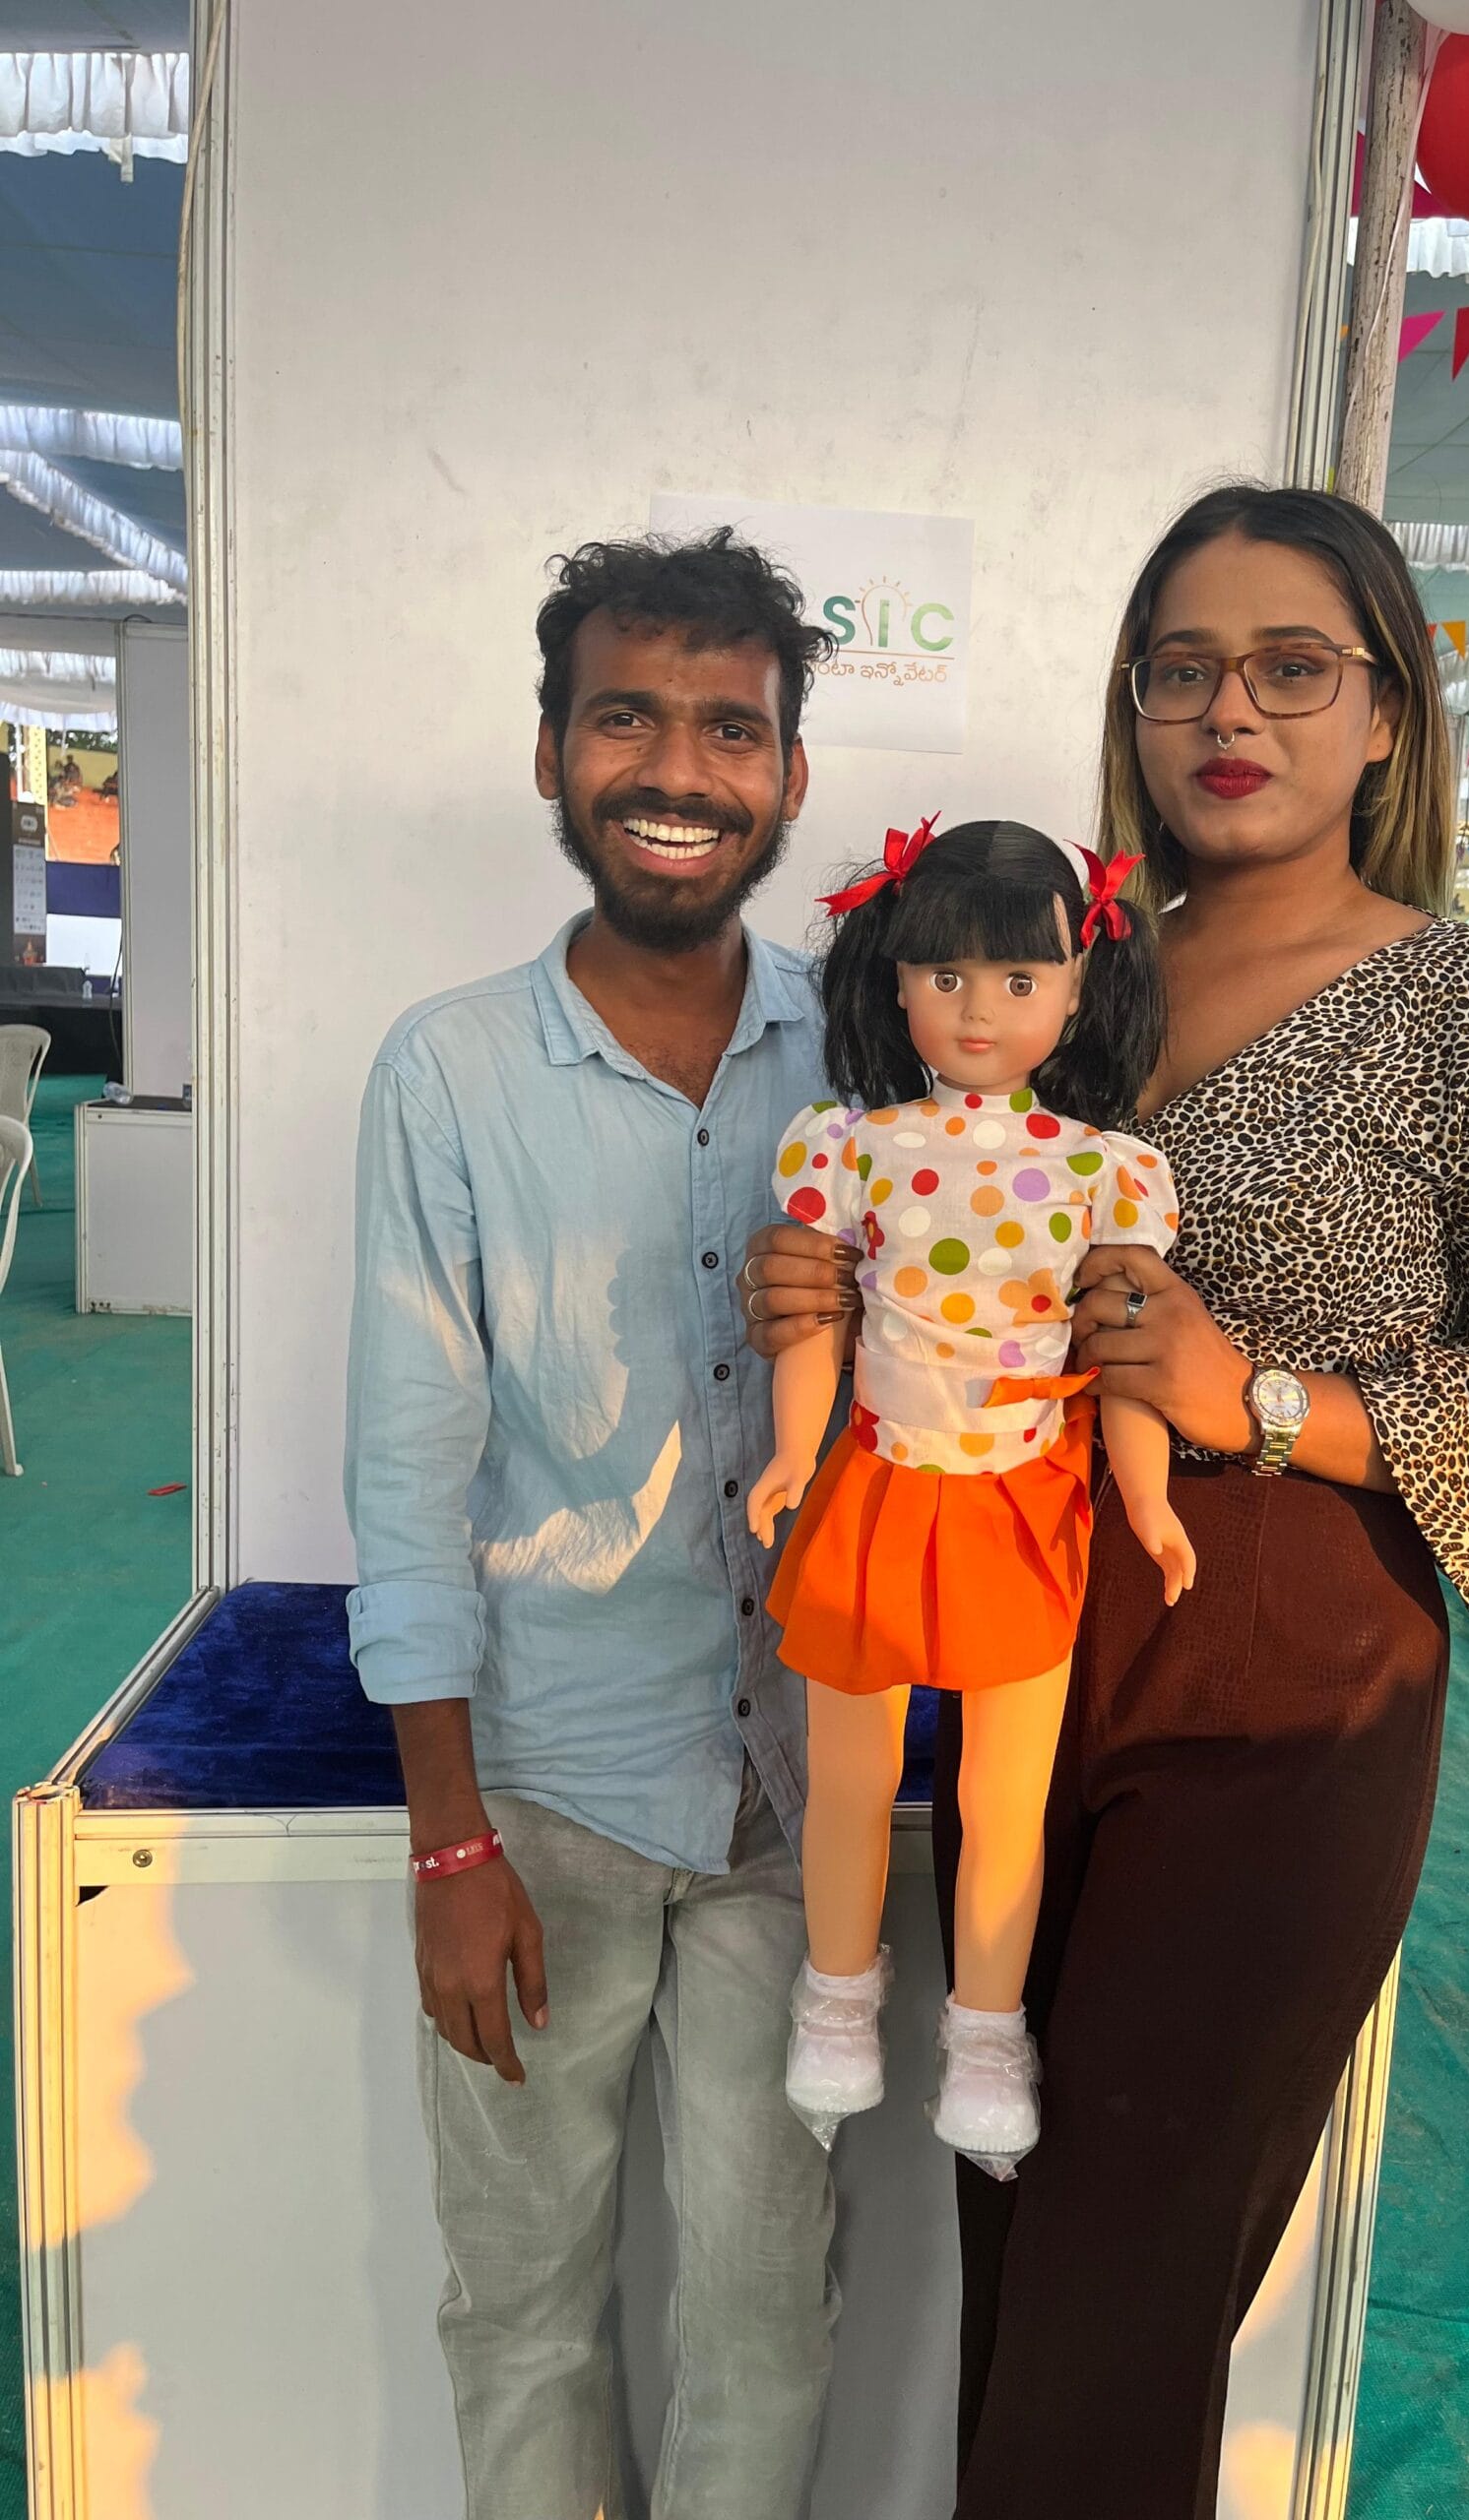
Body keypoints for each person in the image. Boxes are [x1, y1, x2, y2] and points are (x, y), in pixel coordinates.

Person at [743, 482, 1469, 2518]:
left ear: (1388, 713)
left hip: (1288, 1696)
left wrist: (1256, 1395)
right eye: (1182, 668)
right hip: (1024, 1648)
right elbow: (945, 1233)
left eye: (1290, 667)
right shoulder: (1072, 978)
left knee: (1121, 2291)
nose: (1229, 711)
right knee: (1018, 2234)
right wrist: (822, 1290)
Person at [345, 530, 842, 2520]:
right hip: (542, 1793)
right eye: (628, 717)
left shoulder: (872, 1051)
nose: (680, 769)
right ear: (551, 751)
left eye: (731, 727)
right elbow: (408, 1464)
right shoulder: (449, 1068)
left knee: (770, 2308)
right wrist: (449, 1840)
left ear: (789, 774)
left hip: (799, 1793)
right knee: (529, 2307)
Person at [747, 818, 1180, 2172]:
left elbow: (1123, 1349)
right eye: (945, 976)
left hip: (1025, 1496)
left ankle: (987, 2028)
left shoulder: (1107, 1169)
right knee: (850, 1775)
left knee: (1006, 1793)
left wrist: (1148, 1499)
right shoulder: (851, 1146)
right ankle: (837, 1998)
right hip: (878, 1481)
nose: (978, 1008)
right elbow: (816, 1314)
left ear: (1077, 992)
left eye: (1018, 979)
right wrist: (792, 1449)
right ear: (895, 984)